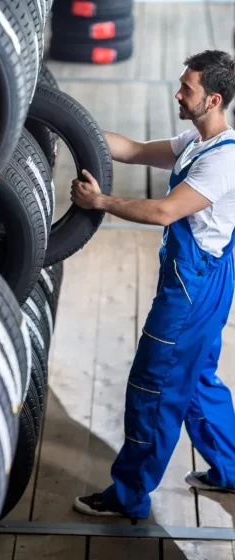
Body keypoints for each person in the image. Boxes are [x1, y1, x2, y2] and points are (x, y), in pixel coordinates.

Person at [70, 49, 235, 520]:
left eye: (188, 89)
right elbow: (136, 150)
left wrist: (100, 200)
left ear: (214, 99)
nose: (178, 93)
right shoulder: (195, 142)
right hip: (208, 279)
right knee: (198, 382)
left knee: (154, 387)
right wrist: (68, 130)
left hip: (192, 289)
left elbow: (163, 212)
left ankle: (128, 497)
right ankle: (232, 469)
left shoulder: (223, 162)